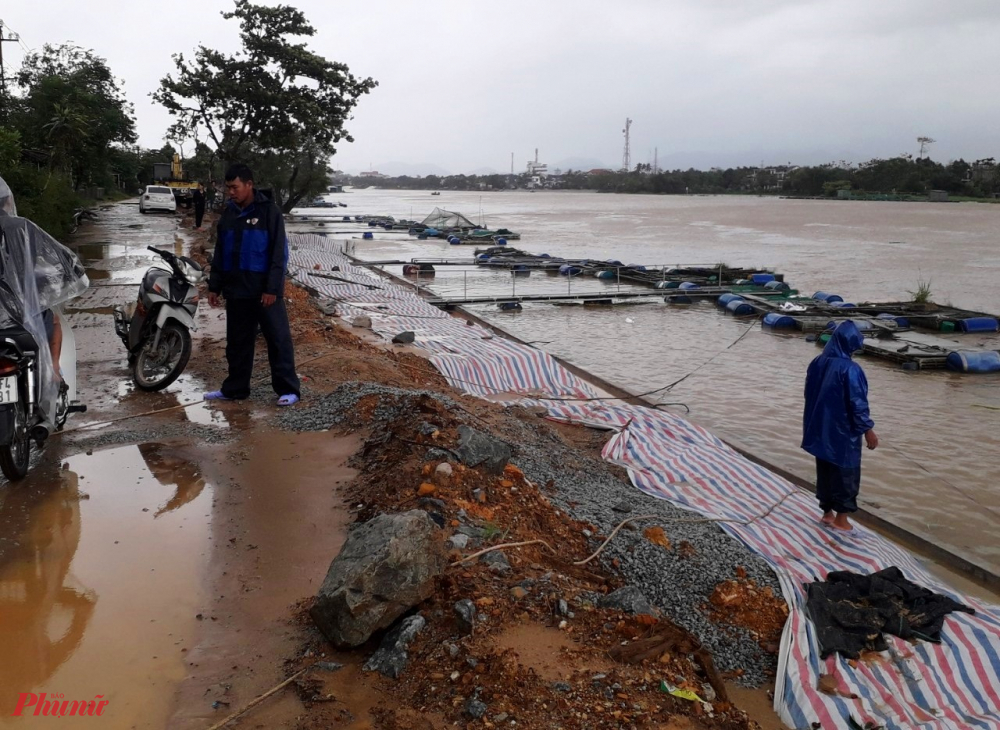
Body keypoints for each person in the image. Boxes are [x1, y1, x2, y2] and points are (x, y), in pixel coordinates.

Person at [205, 164, 300, 406]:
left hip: (264, 292)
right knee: (237, 344)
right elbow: (220, 253)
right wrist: (214, 286)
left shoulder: (270, 212)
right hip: (236, 291)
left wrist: (273, 288)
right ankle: (235, 389)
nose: (231, 192)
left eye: (235, 187)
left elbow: (279, 254)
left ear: (249, 185)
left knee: (278, 340)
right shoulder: (228, 214)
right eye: (228, 188)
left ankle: (288, 390)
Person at [801, 321, 879, 532]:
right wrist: (868, 429)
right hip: (843, 432)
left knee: (824, 470)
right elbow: (858, 403)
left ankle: (827, 513)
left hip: (819, 427)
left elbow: (809, 395)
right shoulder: (851, 369)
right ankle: (841, 519)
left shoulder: (817, 362)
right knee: (846, 474)